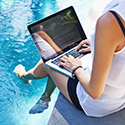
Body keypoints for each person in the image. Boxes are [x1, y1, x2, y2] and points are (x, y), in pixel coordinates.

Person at [14, 0, 125, 117]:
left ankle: (24, 76)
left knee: (48, 63)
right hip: (121, 95)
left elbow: (95, 92)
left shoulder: (111, 21)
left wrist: (76, 68)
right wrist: (102, 46)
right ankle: (45, 98)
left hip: (99, 103)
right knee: (61, 58)